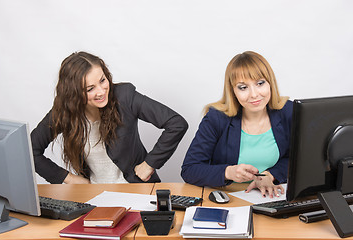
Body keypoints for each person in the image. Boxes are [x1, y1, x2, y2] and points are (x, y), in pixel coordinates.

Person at [31, 51, 188, 184]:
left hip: (136, 189)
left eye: (102, 80)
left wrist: (150, 163)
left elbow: (176, 123)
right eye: (90, 89)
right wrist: (70, 179)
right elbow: (30, 151)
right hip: (95, 196)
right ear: (73, 94)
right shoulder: (64, 112)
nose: (101, 91)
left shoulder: (125, 97)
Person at [181, 51, 292, 198]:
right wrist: (228, 172)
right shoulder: (216, 118)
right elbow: (190, 169)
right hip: (229, 197)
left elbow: (298, 158)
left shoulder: (288, 111)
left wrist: (270, 175)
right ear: (232, 91)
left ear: (270, 83)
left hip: (271, 196)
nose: (254, 94)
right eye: (243, 87)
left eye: (260, 83)